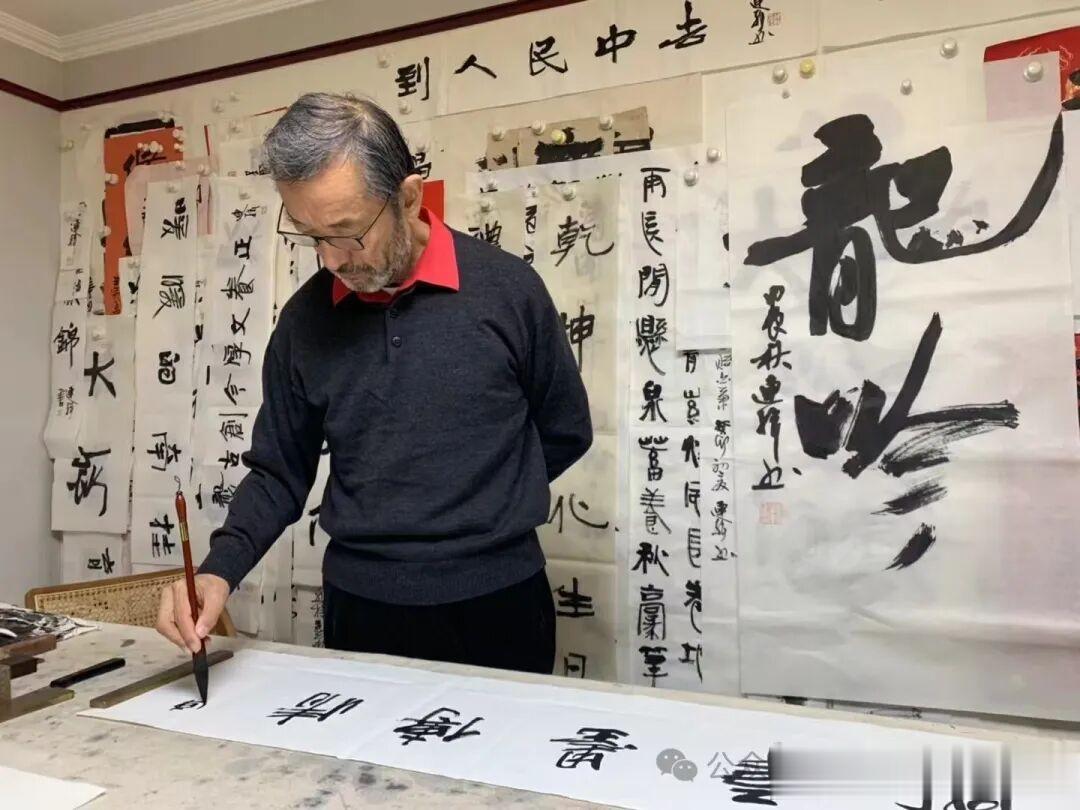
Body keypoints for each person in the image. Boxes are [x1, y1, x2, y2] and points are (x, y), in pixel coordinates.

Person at [156, 93, 592, 674]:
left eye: (347, 232)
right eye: (311, 236)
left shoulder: (508, 292)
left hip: (500, 600)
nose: (331, 260)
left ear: (407, 197)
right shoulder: (306, 321)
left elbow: (566, 429)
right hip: (362, 607)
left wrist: (487, 499)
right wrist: (218, 571)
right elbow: (280, 470)